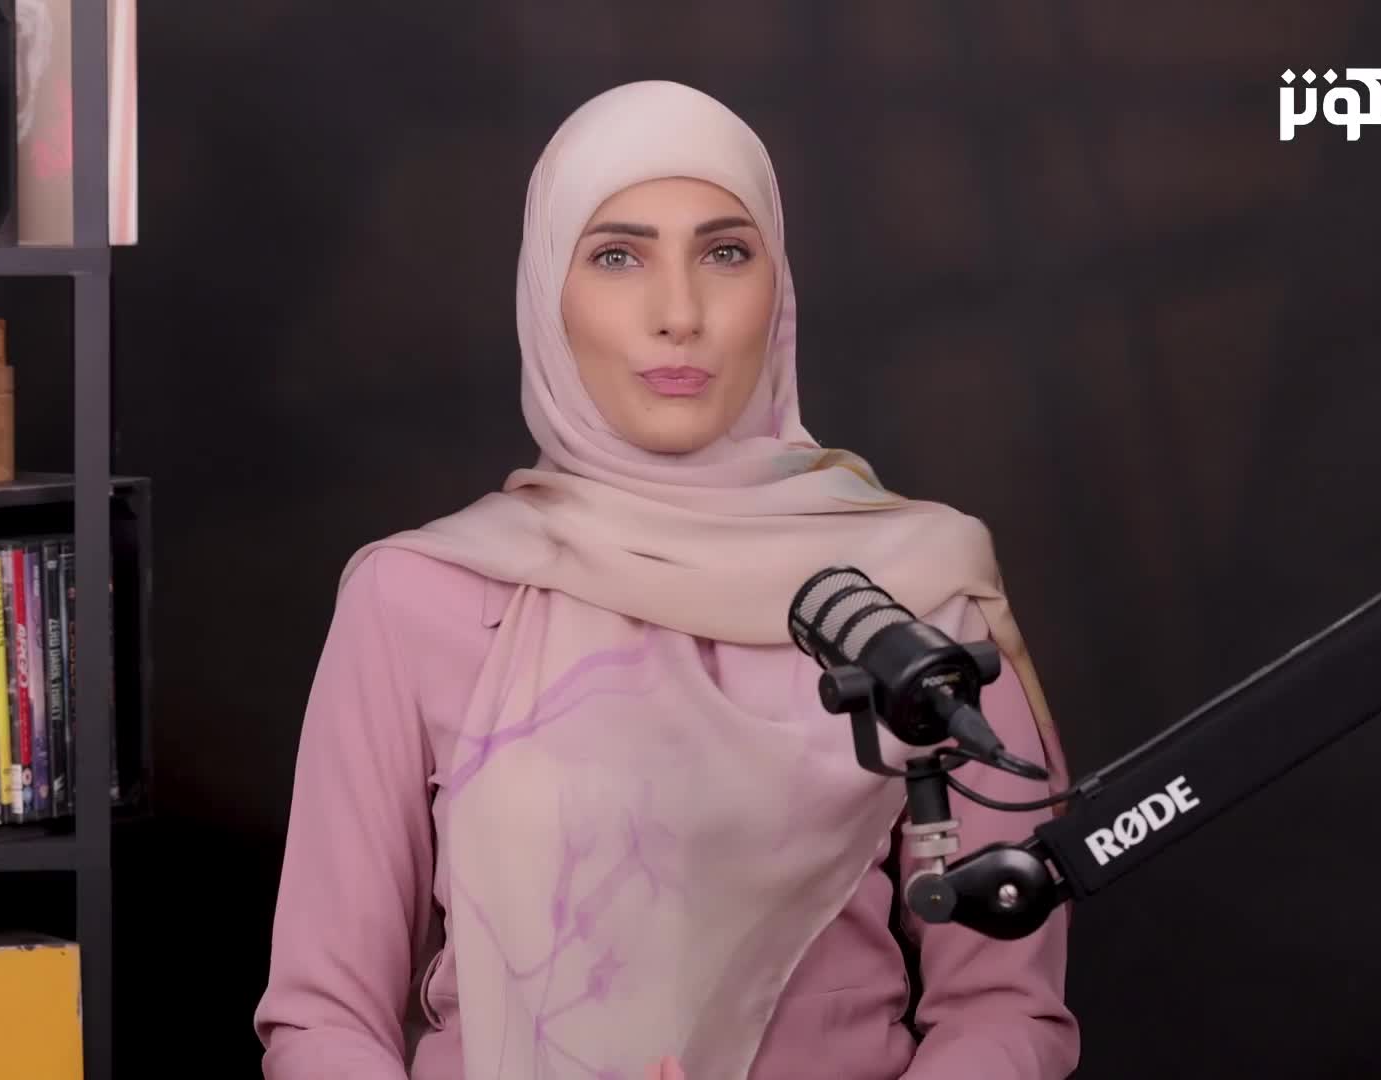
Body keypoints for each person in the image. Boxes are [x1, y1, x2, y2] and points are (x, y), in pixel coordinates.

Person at [253, 79, 1079, 1080]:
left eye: (725, 253)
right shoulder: (415, 598)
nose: (678, 314)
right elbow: (325, 1018)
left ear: (778, 290)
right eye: (617, 256)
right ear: (547, 295)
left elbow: (1002, 1009)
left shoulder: (913, 600)